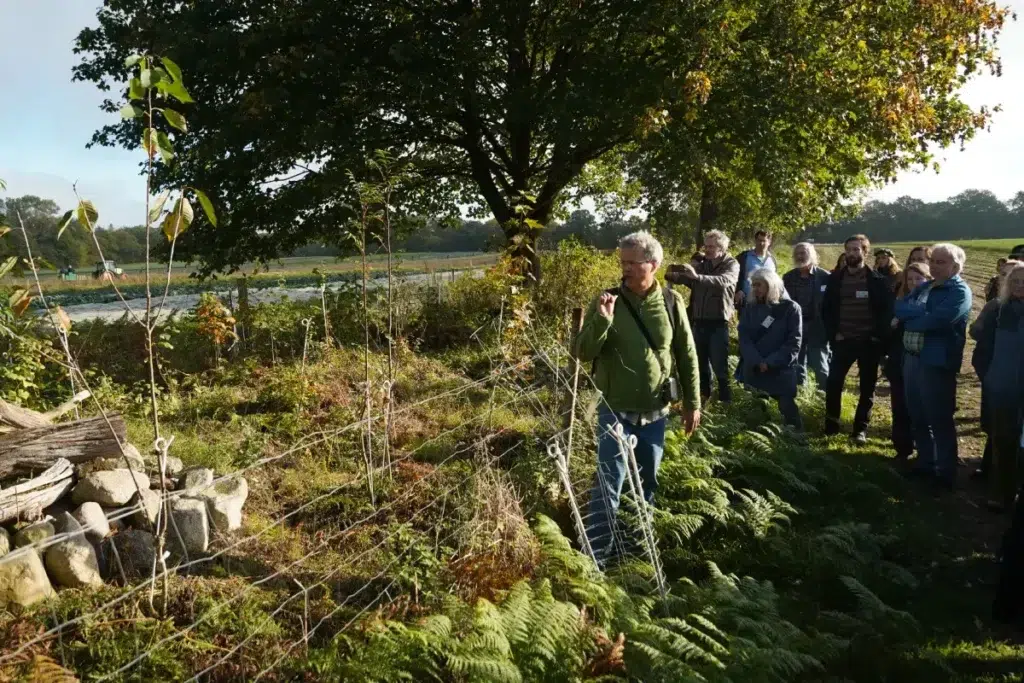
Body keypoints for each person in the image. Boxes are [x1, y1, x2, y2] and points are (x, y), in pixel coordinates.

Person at [574, 231, 701, 567]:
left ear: (653, 265)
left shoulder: (672, 302)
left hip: (656, 413)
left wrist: (693, 403)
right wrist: (603, 320)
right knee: (608, 486)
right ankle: (595, 560)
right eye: (623, 262)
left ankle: (633, 554)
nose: (625, 268)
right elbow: (582, 352)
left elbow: (687, 354)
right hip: (615, 411)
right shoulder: (608, 300)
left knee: (645, 487)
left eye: (632, 262)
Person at [895, 243, 972, 491]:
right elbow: (899, 306)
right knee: (917, 415)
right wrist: (920, 314)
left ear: (955, 267)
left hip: (936, 362)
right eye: (933, 261)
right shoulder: (926, 287)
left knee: (938, 418)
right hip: (912, 359)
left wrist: (912, 319)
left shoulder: (959, 292)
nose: (934, 266)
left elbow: (939, 320)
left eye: (941, 262)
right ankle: (925, 463)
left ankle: (945, 473)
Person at [821, 234, 893, 444]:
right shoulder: (835, 279)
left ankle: (860, 429)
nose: (851, 253)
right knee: (834, 383)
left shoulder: (877, 281)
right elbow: (826, 310)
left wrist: (876, 337)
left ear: (865, 252)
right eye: (848, 249)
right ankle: (831, 426)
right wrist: (834, 333)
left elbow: (885, 312)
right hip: (843, 340)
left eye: (856, 249)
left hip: (868, 342)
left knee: (867, 388)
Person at [971, 263, 1024, 510]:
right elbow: (981, 344)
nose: (1020, 286)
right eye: (1015, 282)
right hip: (1003, 387)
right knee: (1003, 440)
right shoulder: (997, 309)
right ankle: (1002, 495)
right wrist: (990, 376)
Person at [666, 229, 739, 403]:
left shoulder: (731, 264)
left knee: (719, 365)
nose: (707, 250)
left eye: (711, 246)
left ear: (721, 247)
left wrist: (697, 277)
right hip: (699, 321)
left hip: (718, 322)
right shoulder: (704, 264)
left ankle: (725, 402)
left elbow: (723, 281)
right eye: (705, 246)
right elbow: (688, 278)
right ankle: (704, 399)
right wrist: (671, 275)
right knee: (700, 363)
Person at [736, 269, 804, 430]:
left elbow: (793, 342)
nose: (755, 289)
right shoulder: (750, 308)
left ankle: (797, 440)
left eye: (759, 285)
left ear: (771, 285)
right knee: (757, 411)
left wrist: (770, 362)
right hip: (755, 368)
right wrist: (757, 361)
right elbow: (744, 338)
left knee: (787, 408)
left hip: (780, 369)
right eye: (753, 285)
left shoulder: (791, 308)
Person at [887, 262, 932, 461]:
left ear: (928, 279)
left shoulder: (932, 297)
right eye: (910, 279)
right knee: (900, 405)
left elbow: (926, 315)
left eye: (918, 278)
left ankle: (927, 455)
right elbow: (897, 311)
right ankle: (903, 448)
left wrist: (905, 315)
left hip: (922, 358)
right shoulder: (902, 298)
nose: (914, 283)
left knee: (923, 408)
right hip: (900, 357)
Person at [782, 243, 830, 388]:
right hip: (796, 326)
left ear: (812, 255)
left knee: (820, 365)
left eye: (803, 253)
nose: (799, 256)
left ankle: (826, 396)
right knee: (797, 365)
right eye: (797, 253)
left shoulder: (824, 277)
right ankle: (802, 395)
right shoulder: (788, 277)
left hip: (818, 326)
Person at [735, 230, 778, 310]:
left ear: (769, 242)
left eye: (764, 241)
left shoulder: (772, 260)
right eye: (759, 240)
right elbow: (734, 275)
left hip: (767, 303)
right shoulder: (744, 257)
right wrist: (738, 290)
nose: (761, 243)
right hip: (747, 301)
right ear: (755, 241)